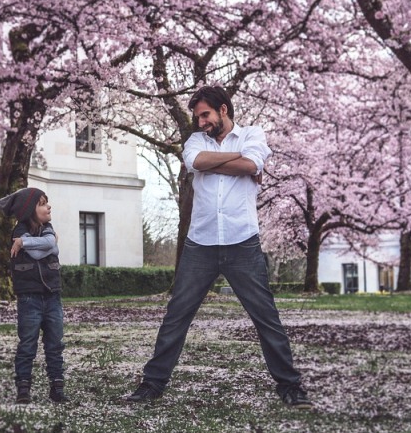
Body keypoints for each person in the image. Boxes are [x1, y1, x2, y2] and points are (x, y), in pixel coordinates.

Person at [125, 85, 313, 409]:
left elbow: (251, 166)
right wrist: (238, 161)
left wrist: (230, 163)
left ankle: (290, 386)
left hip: (243, 243)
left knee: (266, 316)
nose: (201, 122)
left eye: (205, 114)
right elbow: (197, 160)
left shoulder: (253, 134)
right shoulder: (196, 141)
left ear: (223, 109)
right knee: (176, 316)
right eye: (198, 116)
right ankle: (152, 384)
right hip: (201, 243)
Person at [0, 187, 68, 404]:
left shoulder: (47, 228)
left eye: (48, 202)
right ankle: (23, 388)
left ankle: (57, 387)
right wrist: (47, 244)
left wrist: (29, 244)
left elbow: (48, 244)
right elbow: (43, 249)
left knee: (55, 344)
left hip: (52, 296)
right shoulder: (19, 230)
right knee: (28, 344)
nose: (48, 206)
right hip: (29, 298)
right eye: (42, 203)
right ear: (29, 209)